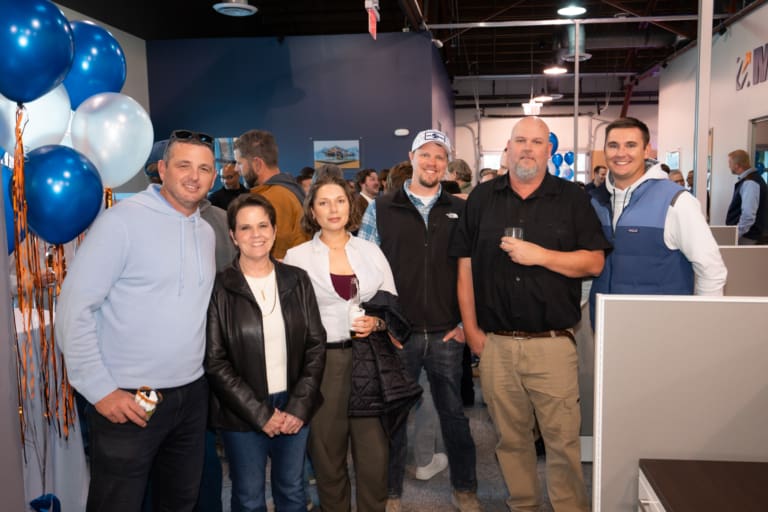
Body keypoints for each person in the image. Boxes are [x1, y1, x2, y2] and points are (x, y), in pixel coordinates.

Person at [451, 116, 610, 512]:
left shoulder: (572, 199)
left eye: (536, 142)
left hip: (552, 345)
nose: (527, 148)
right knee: (511, 439)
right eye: (519, 140)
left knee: (562, 441)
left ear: (549, 150)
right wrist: (471, 331)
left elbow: (593, 263)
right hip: (497, 345)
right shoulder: (482, 199)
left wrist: (541, 256)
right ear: (507, 148)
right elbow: (465, 267)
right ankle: (523, 504)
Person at [56, 129, 219, 511]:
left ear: (214, 177)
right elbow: (74, 308)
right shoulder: (121, 223)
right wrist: (99, 390)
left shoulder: (207, 233)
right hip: (128, 397)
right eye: (183, 165)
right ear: (162, 169)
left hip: (191, 395)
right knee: (118, 503)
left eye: (204, 168)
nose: (194, 176)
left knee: (179, 501)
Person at [359, 129, 481, 512]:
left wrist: (466, 324)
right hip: (399, 334)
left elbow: (475, 272)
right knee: (393, 418)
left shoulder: (461, 209)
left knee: (455, 418)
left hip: (448, 333)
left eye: (440, 157)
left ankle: (466, 488)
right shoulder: (380, 207)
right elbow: (365, 271)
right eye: (425, 155)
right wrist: (383, 324)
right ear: (411, 157)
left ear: (448, 164)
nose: (432, 163)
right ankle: (391, 493)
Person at [284, 173, 420, 512]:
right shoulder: (296, 257)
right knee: (327, 459)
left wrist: (377, 323)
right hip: (322, 366)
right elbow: (290, 320)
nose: (334, 209)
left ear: (351, 206)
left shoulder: (371, 252)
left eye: (340, 201)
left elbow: (394, 310)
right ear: (312, 211)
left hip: (369, 364)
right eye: (324, 203)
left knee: (374, 459)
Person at [205, 193, 326, 512]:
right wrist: (260, 414)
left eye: (262, 225)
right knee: (248, 497)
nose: (255, 234)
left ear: (274, 230)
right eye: (245, 228)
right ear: (233, 235)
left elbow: (316, 344)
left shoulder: (297, 280)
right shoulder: (219, 288)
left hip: (294, 404)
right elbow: (216, 362)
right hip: (243, 410)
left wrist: (299, 407)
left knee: (293, 491)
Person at [590, 117, 727, 318]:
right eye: (613, 145)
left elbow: (711, 270)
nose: (621, 153)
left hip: (662, 331)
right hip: (608, 329)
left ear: (646, 151)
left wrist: (703, 324)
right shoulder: (594, 201)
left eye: (631, 145)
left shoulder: (676, 201)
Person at [234, 129, 309, 259]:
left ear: (257, 164)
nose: (236, 169)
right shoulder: (291, 189)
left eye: (239, 163)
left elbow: (271, 258)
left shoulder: (271, 199)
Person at [725, 149, 768, 244]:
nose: (729, 166)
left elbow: (748, 216)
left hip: (748, 237)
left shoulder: (750, 183)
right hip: (749, 235)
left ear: (737, 165)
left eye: (730, 162)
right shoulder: (752, 179)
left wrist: (735, 235)